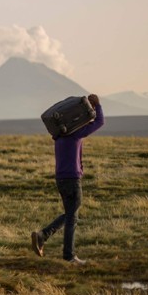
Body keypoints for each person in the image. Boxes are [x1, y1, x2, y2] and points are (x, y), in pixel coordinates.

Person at [32, 94, 105, 265]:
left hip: (61, 178)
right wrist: (97, 106)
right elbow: (99, 122)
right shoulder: (75, 134)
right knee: (72, 217)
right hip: (73, 179)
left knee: (70, 213)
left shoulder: (58, 138)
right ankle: (68, 255)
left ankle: (43, 237)